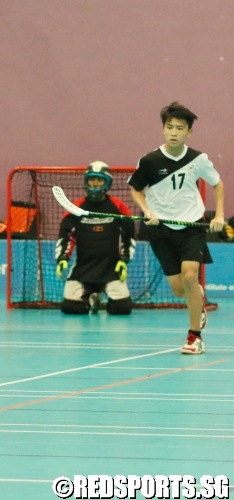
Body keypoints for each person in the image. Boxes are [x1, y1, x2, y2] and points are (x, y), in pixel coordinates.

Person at [128, 102, 225, 354]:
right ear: (163, 129)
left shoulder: (198, 159)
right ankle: (197, 298)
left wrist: (220, 215)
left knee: (190, 275)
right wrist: (147, 210)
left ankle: (195, 337)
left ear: (188, 132)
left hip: (191, 225)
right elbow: (135, 189)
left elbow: (217, 184)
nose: (173, 132)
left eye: (179, 128)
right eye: (169, 127)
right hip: (160, 230)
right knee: (180, 288)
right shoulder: (149, 161)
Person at [56, 162, 135, 315]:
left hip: (111, 269)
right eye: (92, 179)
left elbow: (128, 236)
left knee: (122, 309)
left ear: (107, 183)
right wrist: (62, 258)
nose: (95, 183)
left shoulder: (118, 207)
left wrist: (123, 260)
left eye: (99, 180)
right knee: (70, 309)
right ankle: (91, 298)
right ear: (86, 181)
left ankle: (103, 297)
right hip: (82, 269)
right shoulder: (75, 208)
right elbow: (65, 236)